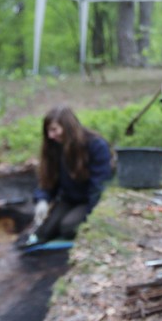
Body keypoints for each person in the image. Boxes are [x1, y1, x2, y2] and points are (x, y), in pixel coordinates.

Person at [26, 105, 114, 245]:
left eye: (54, 130)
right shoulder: (54, 146)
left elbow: (99, 186)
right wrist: (42, 199)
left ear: (67, 127)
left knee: (68, 227)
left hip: (89, 199)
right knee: (45, 231)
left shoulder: (96, 145)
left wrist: (93, 216)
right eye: (48, 131)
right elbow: (48, 179)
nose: (50, 136)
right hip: (68, 198)